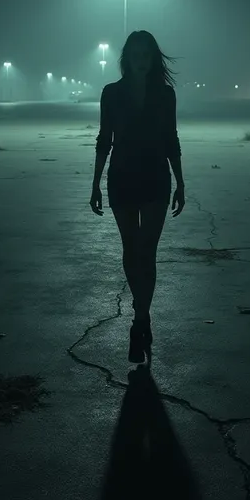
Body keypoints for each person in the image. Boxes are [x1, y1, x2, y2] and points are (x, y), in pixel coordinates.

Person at [89, 30, 185, 364]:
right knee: (132, 249)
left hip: (157, 178)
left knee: (148, 251)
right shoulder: (111, 94)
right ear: (126, 58)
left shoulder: (165, 95)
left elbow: (172, 138)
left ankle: (140, 319)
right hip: (123, 179)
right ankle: (142, 316)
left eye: (146, 54)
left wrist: (182, 183)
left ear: (153, 58)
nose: (141, 60)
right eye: (135, 54)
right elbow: (105, 139)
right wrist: (95, 183)